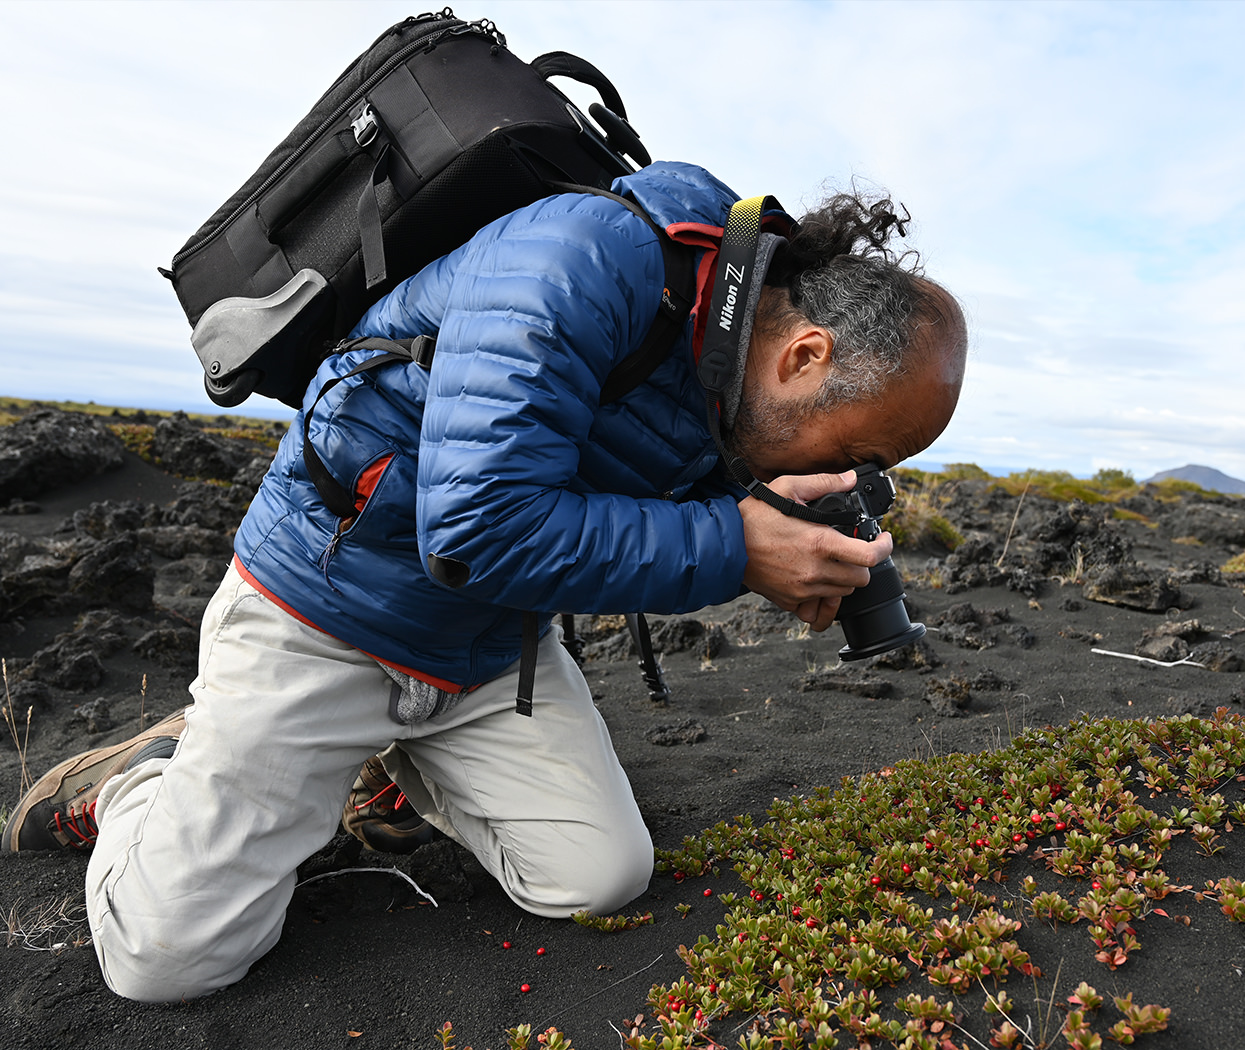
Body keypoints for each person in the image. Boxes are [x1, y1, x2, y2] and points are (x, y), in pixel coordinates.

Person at [2, 161, 966, 1002]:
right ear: (806, 357)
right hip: (328, 608)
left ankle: (382, 771)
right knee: (167, 961)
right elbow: (472, 531)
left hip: (484, 648)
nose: (858, 477)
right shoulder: (580, 260)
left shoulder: (736, 379)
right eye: (863, 449)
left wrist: (775, 529)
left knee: (600, 877)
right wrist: (735, 547)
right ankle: (145, 787)